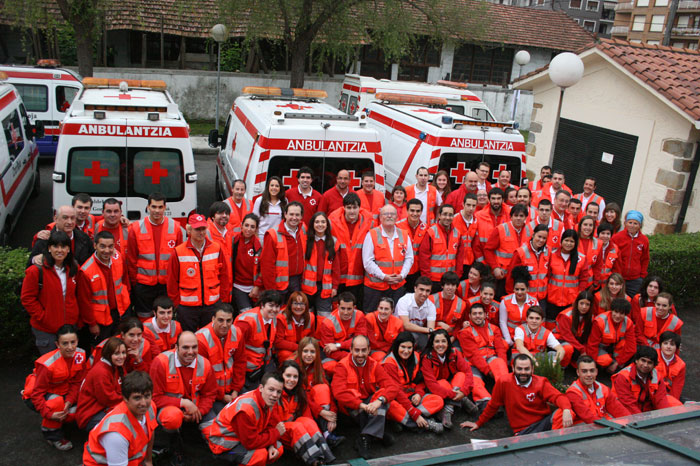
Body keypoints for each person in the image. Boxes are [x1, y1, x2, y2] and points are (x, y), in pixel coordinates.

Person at [21, 230, 95, 355]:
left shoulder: (73, 269)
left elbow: (81, 296)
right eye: (55, 246)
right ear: (49, 248)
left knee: (69, 368)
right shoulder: (35, 271)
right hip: (46, 330)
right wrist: (43, 317)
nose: (59, 250)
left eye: (64, 246)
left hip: (70, 329)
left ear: (68, 249)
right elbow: (27, 298)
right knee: (50, 368)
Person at [461, 353, 573, 435]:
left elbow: (559, 397)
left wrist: (567, 409)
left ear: (532, 370)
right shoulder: (504, 382)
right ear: (513, 368)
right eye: (519, 369)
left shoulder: (541, 382)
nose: (523, 372)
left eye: (526, 369)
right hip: (523, 431)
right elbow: (493, 405)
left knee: (567, 412)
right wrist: (478, 423)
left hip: (543, 424)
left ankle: (554, 440)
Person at [149, 331, 218, 463]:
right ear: (176, 348)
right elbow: (154, 397)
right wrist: (183, 403)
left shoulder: (205, 364)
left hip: (197, 410)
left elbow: (209, 394)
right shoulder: (161, 362)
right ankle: (173, 446)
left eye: (194, 347)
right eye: (185, 347)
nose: (190, 352)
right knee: (172, 418)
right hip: (170, 409)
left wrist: (200, 411)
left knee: (215, 432)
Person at [331, 335, 398, 460]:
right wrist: (361, 405)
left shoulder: (374, 364)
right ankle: (378, 434)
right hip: (351, 408)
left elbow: (392, 386)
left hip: (368, 404)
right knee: (374, 407)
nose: (360, 354)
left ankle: (365, 438)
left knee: (383, 399)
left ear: (369, 350)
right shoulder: (342, 366)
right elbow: (338, 393)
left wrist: (379, 401)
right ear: (350, 350)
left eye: (363, 350)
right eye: (357, 350)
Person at [23, 325, 87, 450]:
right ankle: (52, 435)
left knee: (80, 405)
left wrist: (69, 401)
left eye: (73, 342)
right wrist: (48, 414)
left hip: (63, 391)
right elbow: (37, 394)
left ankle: (62, 421)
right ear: (57, 345)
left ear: (77, 341)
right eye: (65, 343)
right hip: (39, 395)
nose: (70, 347)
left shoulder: (80, 355)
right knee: (57, 403)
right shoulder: (47, 364)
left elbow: (77, 383)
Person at [203, 372, 286, 464]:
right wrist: (276, 433)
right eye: (271, 389)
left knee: (278, 448)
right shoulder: (245, 409)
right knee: (259, 455)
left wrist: (271, 444)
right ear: (261, 388)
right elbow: (251, 443)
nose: (275, 395)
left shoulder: (268, 400)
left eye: (278, 392)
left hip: (243, 440)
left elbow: (271, 425)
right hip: (224, 448)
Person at [127, 192, 186, 320]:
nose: (157, 210)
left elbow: (180, 258)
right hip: (143, 285)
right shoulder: (136, 228)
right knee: (144, 318)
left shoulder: (175, 227)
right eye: (154, 207)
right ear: (148, 207)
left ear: (165, 207)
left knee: (165, 318)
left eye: (160, 207)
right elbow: (131, 259)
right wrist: (135, 283)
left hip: (166, 285)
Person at [168, 213, 231, 332]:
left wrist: (221, 300)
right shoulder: (178, 252)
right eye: (197, 229)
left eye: (203, 229)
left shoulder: (216, 248)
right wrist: (177, 305)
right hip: (187, 308)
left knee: (209, 338)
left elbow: (224, 276)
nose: (201, 232)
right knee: (188, 339)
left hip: (212, 305)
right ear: (189, 230)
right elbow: (172, 281)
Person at [82, 371, 158, 466]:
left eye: (147, 396)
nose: (143, 403)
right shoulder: (116, 434)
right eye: (137, 398)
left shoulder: (150, 407)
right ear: (125, 399)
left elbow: (151, 432)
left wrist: (148, 461)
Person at [275, 361, 336, 465]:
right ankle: (315, 461)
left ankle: (326, 455)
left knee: (308, 422)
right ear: (281, 375)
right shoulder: (274, 393)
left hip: (297, 436)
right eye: (288, 376)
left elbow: (307, 418)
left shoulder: (300, 393)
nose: (291, 380)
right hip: (279, 432)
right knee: (297, 426)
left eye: (295, 377)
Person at [382, 332, 445, 433]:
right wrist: (414, 413)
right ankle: (425, 423)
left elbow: (421, 381)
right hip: (397, 399)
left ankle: (405, 421)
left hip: (412, 396)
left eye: (409, 347)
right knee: (391, 406)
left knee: (438, 400)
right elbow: (396, 391)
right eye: (403, 347)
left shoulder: (416, 356)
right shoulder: (389, 363)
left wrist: (419, 394)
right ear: (396, 346)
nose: (406, 351)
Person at [420, 329, 480, 429]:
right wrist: (456, 395)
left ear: (448, 343)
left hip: (452, 387)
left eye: (443, 341)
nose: (440, 345)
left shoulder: (454, 352)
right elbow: (431, 385)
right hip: (435, 389)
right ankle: (458, 403)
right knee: (443, 383)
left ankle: (449, 408)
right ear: (432, 344)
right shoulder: (427, 358)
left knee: (461, 375)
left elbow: (468, 372)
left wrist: (464, 391)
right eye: (437, 341)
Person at [551, 355, 629, 429]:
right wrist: (612, 427)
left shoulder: (603, 388)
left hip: (603, 426)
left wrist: (631, 422)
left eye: (592, 371)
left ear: (596, 372)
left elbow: (620, 411)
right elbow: (588, 418)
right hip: (584, 431)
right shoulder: (573, 393)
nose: (589, 374)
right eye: (584, 371)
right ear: (578, 372)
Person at [79, 231, 131, 341]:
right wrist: (92, 324)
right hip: (101, 320)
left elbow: (125, 281)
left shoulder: (118, 258)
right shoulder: (86, 271)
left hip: (121, 311)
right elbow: (84, 302)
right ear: (95, 246)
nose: (107, 250)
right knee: (103, 348)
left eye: (110, 246)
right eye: (102, 246)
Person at [363, 204, 413, 312]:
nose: (389, 216)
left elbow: (409, 258)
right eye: (386, 214)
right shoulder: (371, 234)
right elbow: (367, 261)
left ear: (396, 217)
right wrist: (384, 276)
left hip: (397, 286)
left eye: (392, 214)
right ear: (380, 218)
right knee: (372, 317)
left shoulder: (404, 234)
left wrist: (402, 275)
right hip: (375, 288)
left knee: (396, 317)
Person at [295, 337, 343, 447]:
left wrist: (332, 414)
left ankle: (327, 433)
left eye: (312, 352)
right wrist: (321, 412)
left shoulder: (317, 367)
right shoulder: (294, 367)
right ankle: (323, 436)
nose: (309, 355)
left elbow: (328, 391)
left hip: (314, 403)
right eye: (305, 351)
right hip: (299, 403)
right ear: (300, 351)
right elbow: (301, 395)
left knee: (322, 388)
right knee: (306, 407)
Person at [195, 303, 246, 405]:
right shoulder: (201, 340)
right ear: (213, 319)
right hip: (211, 393)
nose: (225, 325)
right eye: (220, 320)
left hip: (232, 389)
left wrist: (236, 390)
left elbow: (240, 362)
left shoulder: (237, 332)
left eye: (228, 321)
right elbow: (202, 375)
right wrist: (221, 396)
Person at [235, 290, 284, 390]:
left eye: (277, 306)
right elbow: (234, 350)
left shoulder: (274, 318)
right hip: (247, 370)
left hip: (264, 364)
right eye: (271, 305)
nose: (274, 309)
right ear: (262, 305)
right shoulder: (246, 323)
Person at [75, 337, 125, 430]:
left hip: (102, 409)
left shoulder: (116, 366)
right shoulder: (101, 372)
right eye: (117, 353)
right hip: (90, 415)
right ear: (108, 354)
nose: (121, 356)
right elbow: (108, 399)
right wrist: (128, 399)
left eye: (123, 352)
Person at [328, 193, 373, 297]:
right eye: (349, 208)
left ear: (359, 208)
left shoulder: (369, 223)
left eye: (355, 207)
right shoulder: (333, 223)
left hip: (360, 277)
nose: (352, 211)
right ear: (343, 208)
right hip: (338, 276)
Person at [545, 229, 590, 326]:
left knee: (566, 325)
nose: (568, 244)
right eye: (566, 240)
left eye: (572, 241)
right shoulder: (551, 255)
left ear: (575, 243)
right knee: (550, 324)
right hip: (552, 299)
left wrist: (579, 294)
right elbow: (547, 275)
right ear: (561, 241)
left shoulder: (581, 259)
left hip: (571, 300)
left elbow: (584, 278)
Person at [457, 303, 509, 384]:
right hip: (473, 364)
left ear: (485, 315)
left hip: (491, 359)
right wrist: (488, 371)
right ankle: (485, 397)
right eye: (474, 314)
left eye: (480, 313)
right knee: (475, 383)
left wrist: (503, 366)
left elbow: (500, 349)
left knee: (500, 363)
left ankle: (505, 394)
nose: (477, 316)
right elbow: (473, 355)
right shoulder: (465, 332)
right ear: (469, 316)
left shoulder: (494, 328)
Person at [612, 346, 674, 414]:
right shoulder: (623, 376)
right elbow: (628, 404)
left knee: (674, 404)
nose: (645, 365)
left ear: (654, 365)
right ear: (636, 360)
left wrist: (666, 417)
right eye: (643, 360)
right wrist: (643, 420)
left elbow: (661, 399)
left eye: (649, 362)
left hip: (646, 411)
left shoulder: (657, 376)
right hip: (625, 411)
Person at [483, 204, 529, 297]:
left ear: (526, 217)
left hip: (522, 276)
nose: (518, 218)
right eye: (516, 216)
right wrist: (495, 268)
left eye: (521, 216)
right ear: (511, 217)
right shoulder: (500, 229)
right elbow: (488, 250)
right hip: (503, 275)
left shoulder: (531, 230)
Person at [301, 212, 341, 316]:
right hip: (307, 286)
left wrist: (335, 287)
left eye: (323, 222)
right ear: (312, 224)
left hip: (325, 287)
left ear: (327, 225)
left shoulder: (334, 242)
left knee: (324, 317)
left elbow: (336, 268)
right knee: (307, 317)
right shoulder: (305, 241)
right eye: (317, 222)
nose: (320, 224)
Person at [30, 205, 94, 267]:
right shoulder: (45, 239)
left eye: (72, 218)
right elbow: (30, 265)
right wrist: (35, 260)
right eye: (65, 218)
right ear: (55, 219)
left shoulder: (84, 238)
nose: (69, 222)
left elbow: (93, 260)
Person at [587, 298, 637, 374]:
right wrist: (591, 366)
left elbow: (631, 347)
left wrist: (618, 362)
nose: (618, 316)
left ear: (625, 314)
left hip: (614, 349)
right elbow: (592, 345)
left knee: (625, 345)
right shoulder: (600, 321)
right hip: (599, 348)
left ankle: (614, 367)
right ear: (611, 310)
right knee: (605, 361)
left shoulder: (628, 323)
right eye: (616, 312)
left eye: (621, 313)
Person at [420, 204, 463, 292]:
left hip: (450, 280)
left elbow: (460, 257)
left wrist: (457, 276)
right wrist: (427, 279)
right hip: (434, 280)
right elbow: (424, 257)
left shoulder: (457, 233)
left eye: (450, 215)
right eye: (445, 214)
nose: (447, 217)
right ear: (439, 215)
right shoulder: (431, 232)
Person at [320, 292, 368, 370]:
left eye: (349, 309)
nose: (346, 312)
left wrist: (338, 345)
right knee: (330, 366)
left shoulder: (360, 316)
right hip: (335, 354)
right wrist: (352, 357)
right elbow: (329, 351)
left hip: (352, 350)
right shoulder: (327, 323)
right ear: (338, 307)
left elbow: (361, 340)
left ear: (354, 307)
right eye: (343, 308)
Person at [506, 223, 549, 302]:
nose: (541, 240)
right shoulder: (520, 252)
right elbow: (511, 276)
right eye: (539, 236)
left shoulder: (548, 251)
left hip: (542, 298)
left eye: (544, 238)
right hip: (525, 297)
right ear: (533, 235)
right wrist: (511, 295)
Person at [275, 291, 323, 362]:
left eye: (301, 304)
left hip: (304, 349)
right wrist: (299, 348)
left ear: (306, 306)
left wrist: (305, 349)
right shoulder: (281, 318)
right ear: (290, 305)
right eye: (295, 303)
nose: (298, 307)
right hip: (287, 350)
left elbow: (311, 337)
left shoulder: (311, 317)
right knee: (286, 355)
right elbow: (278, 342)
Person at [612, 210, 649, 297]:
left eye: (635, 223)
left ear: (640, 225)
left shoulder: (644, 240)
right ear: (625, 223)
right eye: (630, 222)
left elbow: (645, 258)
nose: (632, 225)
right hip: (619, 277)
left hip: (635, 279)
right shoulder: (617, 237)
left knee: (630, 302)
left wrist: (642, 276)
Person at [499, 267, 539, 346]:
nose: (519, 292)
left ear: (527, 289)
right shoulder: (505, 301)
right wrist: (508, 339)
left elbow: (536, 322)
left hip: (527, 337)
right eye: (517, 289)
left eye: (522, 289)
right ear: (513, 289)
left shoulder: (534, 302)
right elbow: (502, 322)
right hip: (511, 336)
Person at [394, 276, 436, 350]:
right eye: (421, 289)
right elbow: (406, 325)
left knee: (429, 344)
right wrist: (428, 330)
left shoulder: (431, 306)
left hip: (418, 333)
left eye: (427, 291)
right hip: (400, 332)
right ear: (415, 288)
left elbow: (431, 330)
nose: (424, 293)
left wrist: (431, 344)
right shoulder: (404, 301)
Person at [231, 213, 262, 313]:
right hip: (238, 286)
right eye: (246, 225)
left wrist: (257, 287)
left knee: (257, 314)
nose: (248, 229)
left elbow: (263, 268)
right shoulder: (233, 241)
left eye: (252, 227)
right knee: (247, 313)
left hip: (254, 287)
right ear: (241, 226)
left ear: (256, 229)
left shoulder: (259, 245)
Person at [396, 198, 429, 291]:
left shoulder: (426, 228)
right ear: (407, 211)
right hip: (401, 270)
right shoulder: (397, 227)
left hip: (417, 271)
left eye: (418, 211)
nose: (415, 213)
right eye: (412, 210)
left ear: (422, 212)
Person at [555, 290, 595, 363]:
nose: (584, 307)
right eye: (581, 303)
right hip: (561, 340)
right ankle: (562, 368)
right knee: (569, 349)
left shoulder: (591, 317)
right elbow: (567, 336)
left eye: (587, 304)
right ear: (577, 303)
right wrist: (582, 349)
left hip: (576, 340)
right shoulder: (565, 315)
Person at [473, 188, 509, 263]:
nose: (496, 201)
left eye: (499, 198)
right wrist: (482, 263)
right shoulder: (478, 216)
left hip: (504, 264)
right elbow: (476, 244)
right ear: (488, 200)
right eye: (493, 198)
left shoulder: (510, 216)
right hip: (484, 262)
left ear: (503, 200)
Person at [365, 297, 404, 361]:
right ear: (377, 308)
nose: (383, 311)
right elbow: (372, 343)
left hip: (392, 351)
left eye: (386, 309)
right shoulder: (369, 319)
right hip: (375, 350)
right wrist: (389, 346)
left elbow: (399, 342)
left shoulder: (398, 323)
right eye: (381, 308)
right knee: (381, 358)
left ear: (392, 310)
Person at [430, 271, 468, 336]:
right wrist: (439, 324)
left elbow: (459, 326)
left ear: (456, 287)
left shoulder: (462, 304)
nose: (450, 288)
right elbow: (424, 322)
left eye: (453, 285)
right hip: (433, 334)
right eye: (447, 284)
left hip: (451, 335)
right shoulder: (431, 299)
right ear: (442, 286)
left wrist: (452, 339)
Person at [452, 193, 478, 275]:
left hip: (470, 261)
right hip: (455, 260)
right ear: (463, 204)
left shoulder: (476, 221)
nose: (471, 208)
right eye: (468, 205)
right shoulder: (453, 219)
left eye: (473, 206)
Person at [207, 201, 234, 282]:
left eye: (227, 213)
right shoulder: (206, 232)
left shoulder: (230, 231)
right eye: (220, 213)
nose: (224, 216)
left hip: (228, 276)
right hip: (213, 278)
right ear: (213, 216)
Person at [254, 176, 287, 242]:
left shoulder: (284, 201)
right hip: (262, 237)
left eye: (277, 186)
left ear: (280, 188)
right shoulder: (260, 200)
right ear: (268, 187)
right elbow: (254, 220)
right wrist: (257, 238)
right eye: (272, 185)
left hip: (278, 237)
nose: (274, 188)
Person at [656, 332, 685, 403]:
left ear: (676, 348)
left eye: (672, 344)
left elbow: (677, 387)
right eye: (665, 343)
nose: (668, 347)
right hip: (653, 391)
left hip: (668, 394)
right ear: (660, 345)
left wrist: (671, 403)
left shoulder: (681, 364)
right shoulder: (653, 356)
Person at [592, 222, 619, 289]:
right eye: (603, 233)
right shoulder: (592, 246)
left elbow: (617, 268)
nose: (605, 236)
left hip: (608, 285)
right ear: (598, 234)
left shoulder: (615, 248)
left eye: (608, 234)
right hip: (592, 284)